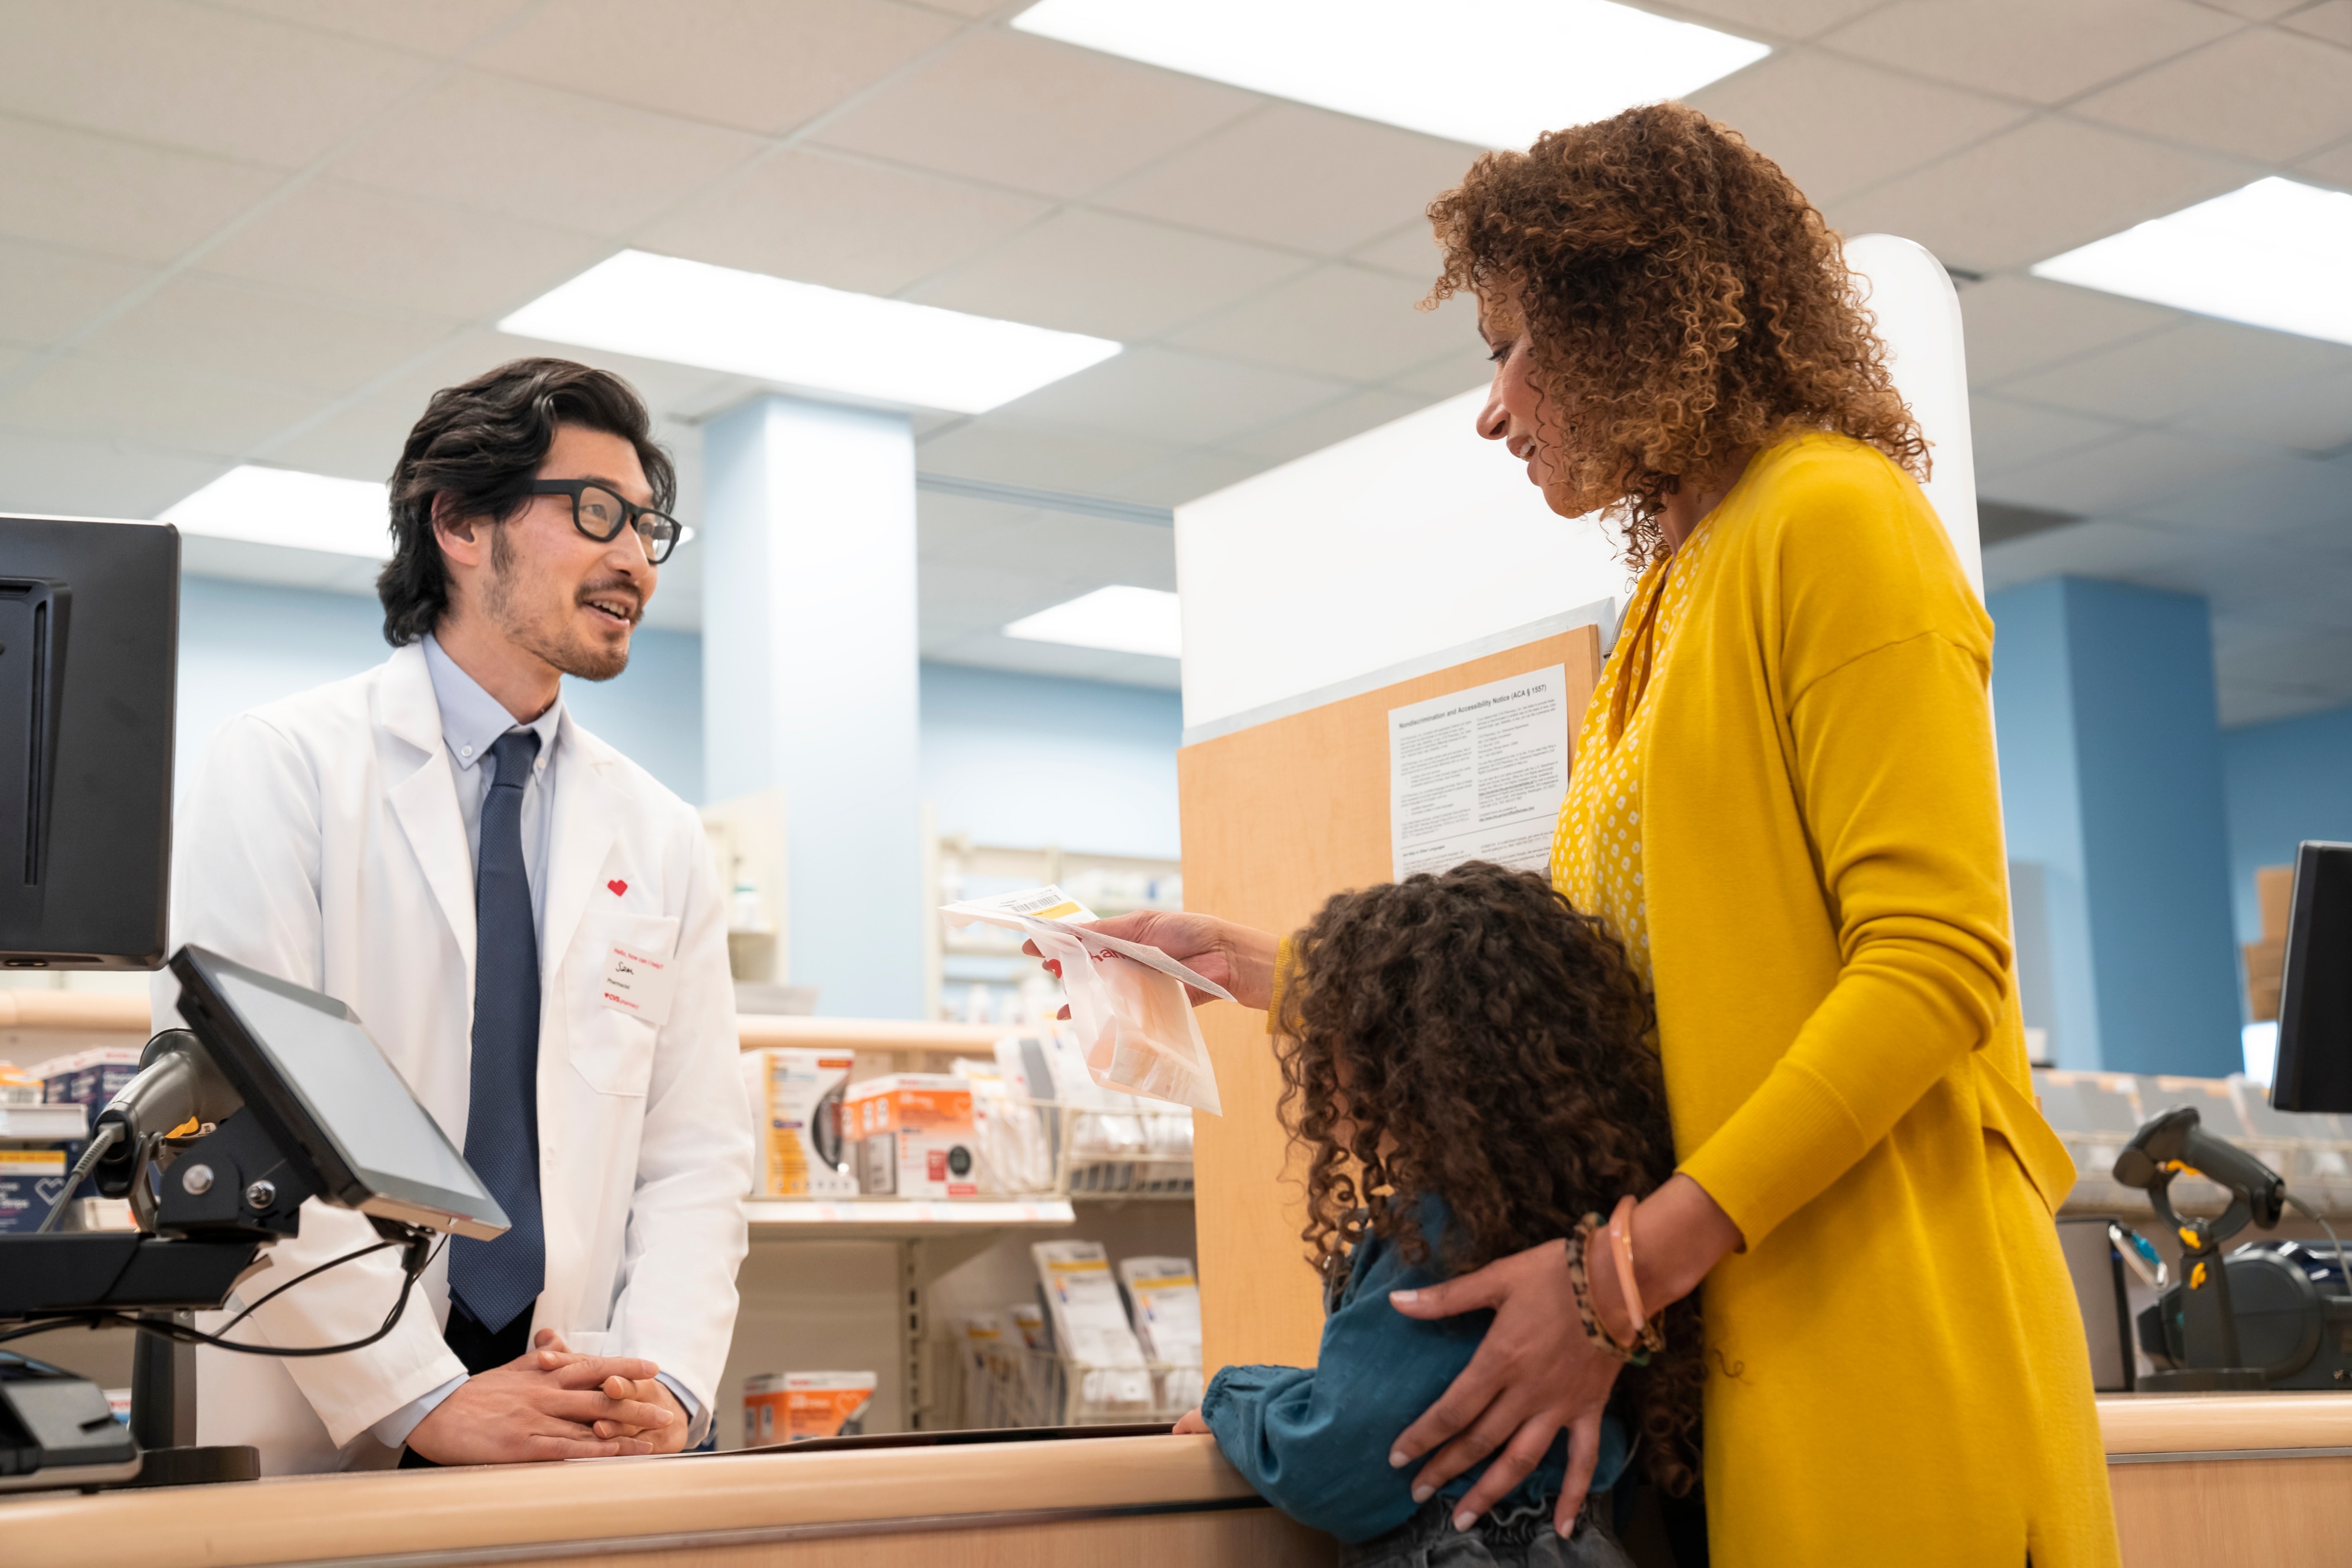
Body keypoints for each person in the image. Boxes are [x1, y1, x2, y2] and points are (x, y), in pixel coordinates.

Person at [1078, 106, 2119, 1565]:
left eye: (1511, 346)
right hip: (1738, 1327)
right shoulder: (1675, 598)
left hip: (1876, 1321)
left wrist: (1616, 1278)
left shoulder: (1834, 520)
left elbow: (1932, 966)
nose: (1493, 407)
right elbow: (1623, 984)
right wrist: (1286, 970)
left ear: (1641, 320)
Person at [156, 358, 751, 1474]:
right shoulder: (287, 768)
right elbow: (239, 1121)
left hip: (579, 1406)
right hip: (331, 1408)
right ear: (462, 523)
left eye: (648, 527)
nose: (635, 560)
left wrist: (665, 1380)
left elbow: (697, 1153)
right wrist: (422, 1395)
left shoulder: (661, 833)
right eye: (596, 514)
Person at [1174, 863, 1693, 1566]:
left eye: (1334, 1041)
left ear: (1395, 1063)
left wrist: (1232, 1395)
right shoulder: (1577, 1219)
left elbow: (1339, 1459)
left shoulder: (1442, 1233)